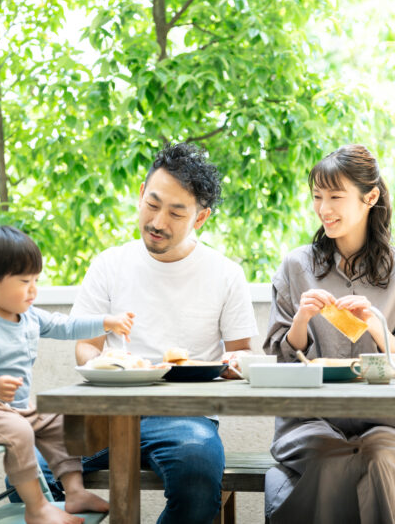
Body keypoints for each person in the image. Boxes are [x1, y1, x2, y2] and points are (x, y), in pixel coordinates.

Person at [36, 142, 259, 524]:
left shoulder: (225, 273)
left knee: (197, 479)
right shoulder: (109, 264)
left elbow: (243, 353)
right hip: (106, 414)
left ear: (200, 218)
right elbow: (85, 348)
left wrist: (237, 363)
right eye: (152, 205)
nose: (158, 222)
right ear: (141, 195)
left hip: (185, 418)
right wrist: (106, 362)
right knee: (26, 467)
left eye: (176, 213)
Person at [262, 145, 395, 523]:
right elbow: (279, 362)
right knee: (331, 456)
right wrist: (301, 322)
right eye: (317, 197)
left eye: (336, 197)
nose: (324, 208)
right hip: (310, 421)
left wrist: (378, 328)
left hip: (390, 422)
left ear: (369, 197)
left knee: (377, 458)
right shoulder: (297, 266)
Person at [0, 225, 134, 524]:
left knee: (61, 421)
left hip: (13, 410)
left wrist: (106, 322)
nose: (34, 289)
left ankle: (74, 492)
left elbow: (66, 326)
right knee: (20, 432)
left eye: (36, 280)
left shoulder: (29, 316)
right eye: (24, 281)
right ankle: (36, 508)